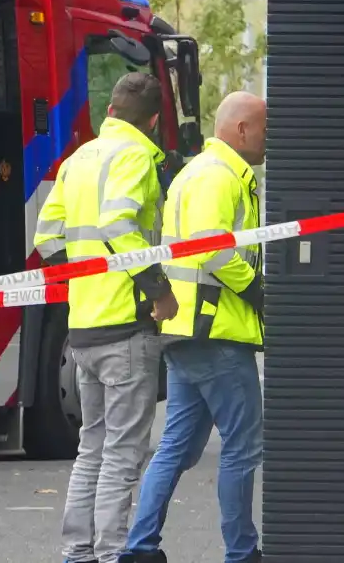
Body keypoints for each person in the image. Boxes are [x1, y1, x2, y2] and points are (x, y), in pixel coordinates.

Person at [33, 71, 181, 563]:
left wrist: (80, 280)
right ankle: (113, 554)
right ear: (155, 120)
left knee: (91, 449)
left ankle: (78, 552)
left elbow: (47, 239)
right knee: (122, 454)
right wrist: (156, 290)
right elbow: (119, 224)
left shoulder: (77, 159)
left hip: (84, 328)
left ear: (111, 109)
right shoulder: (137, 155)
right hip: (126, 327)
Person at [119, 91, 268, 563]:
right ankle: (242, 553)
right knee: (243, 446)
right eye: (265, 128)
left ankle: (140, 547)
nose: (269, 139)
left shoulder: (198, 172)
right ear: (241, 129)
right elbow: (214, 249)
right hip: (216, 333)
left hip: (187, 331)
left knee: (176, 449)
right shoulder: (218, 176)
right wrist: (256, 289)